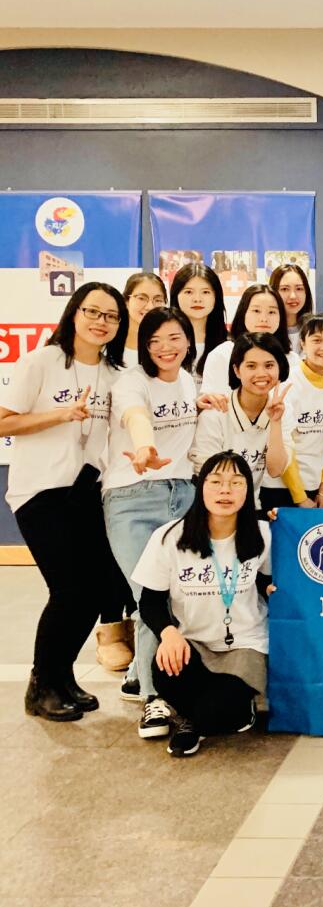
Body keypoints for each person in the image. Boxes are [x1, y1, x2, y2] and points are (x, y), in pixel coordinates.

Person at [0, 283, 129, 721]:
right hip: (40, 492)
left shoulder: (115, 374)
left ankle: (61, 677)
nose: (100, 322)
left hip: (88, 492)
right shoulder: (42, 361)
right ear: (74, 313)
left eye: (111, 316)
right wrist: (60, 414)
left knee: (93, 594)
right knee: (69, 590)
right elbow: (4, 422)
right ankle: (41, 686)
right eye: (92, 311)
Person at [102, 307, 205, 730]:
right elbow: (135, 415)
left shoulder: (190, 381)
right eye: (155, 340)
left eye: (174, 338)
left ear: (188, 341)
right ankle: (154, 697)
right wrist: (144, 447)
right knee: (150, 594)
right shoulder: (131, 381)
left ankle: (137, 675)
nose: (166, 348)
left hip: (183, 495)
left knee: (178, 594)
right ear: (144, 346)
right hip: (132, 499)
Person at [134, 451, 272, 757]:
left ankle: (193, 722)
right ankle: (199, 716)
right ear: (201, 487)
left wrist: (272, 588)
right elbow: (150, 601)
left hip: (245, 645)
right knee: (166, 674)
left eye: (236, 482)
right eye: (216, 481)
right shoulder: (169, 537)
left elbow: (266, 580)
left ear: (248, 490)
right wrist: (169, 633)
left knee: (221, 712)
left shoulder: (263, 534)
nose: (226, 490)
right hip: (193, 644)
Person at [189, 333, 294, 500]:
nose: (261, 373)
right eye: (251, 366)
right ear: (237, 370)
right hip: (211, 501)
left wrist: (275, 422)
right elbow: (207, 475)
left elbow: (276, 470)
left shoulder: (282, 410)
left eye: (269, 365)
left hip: (249, 503)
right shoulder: (216, 412)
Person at [259, 314, 323, 512]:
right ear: (303, 343)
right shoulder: (288, 384)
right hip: (280, 489)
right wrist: (300, 498)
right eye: (317, 340)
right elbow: (285, 444)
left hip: (316, 489)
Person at [200, 283, 290, 396]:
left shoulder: (292, 358)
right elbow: (210, 402)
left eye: (272, 312)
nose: (264, 319)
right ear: (243, 313)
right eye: (256, 311)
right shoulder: (221, 355)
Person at [169, 263, 227, 390]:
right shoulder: (163, 342)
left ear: (216, 297)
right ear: (176, 295)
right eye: (189, 292)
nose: (197, 299)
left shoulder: (228, 345)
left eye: (205, 292)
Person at [121, 272, 167, 368]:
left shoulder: (170, 345)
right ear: (126, 301)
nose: (150, 307)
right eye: (141, 298)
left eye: (158, 300)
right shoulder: (108, 341)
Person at [269, 263, 314, 353]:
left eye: (299, 289)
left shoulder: (314, 329)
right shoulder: (266, 331)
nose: (293, 296)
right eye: (285, 289)